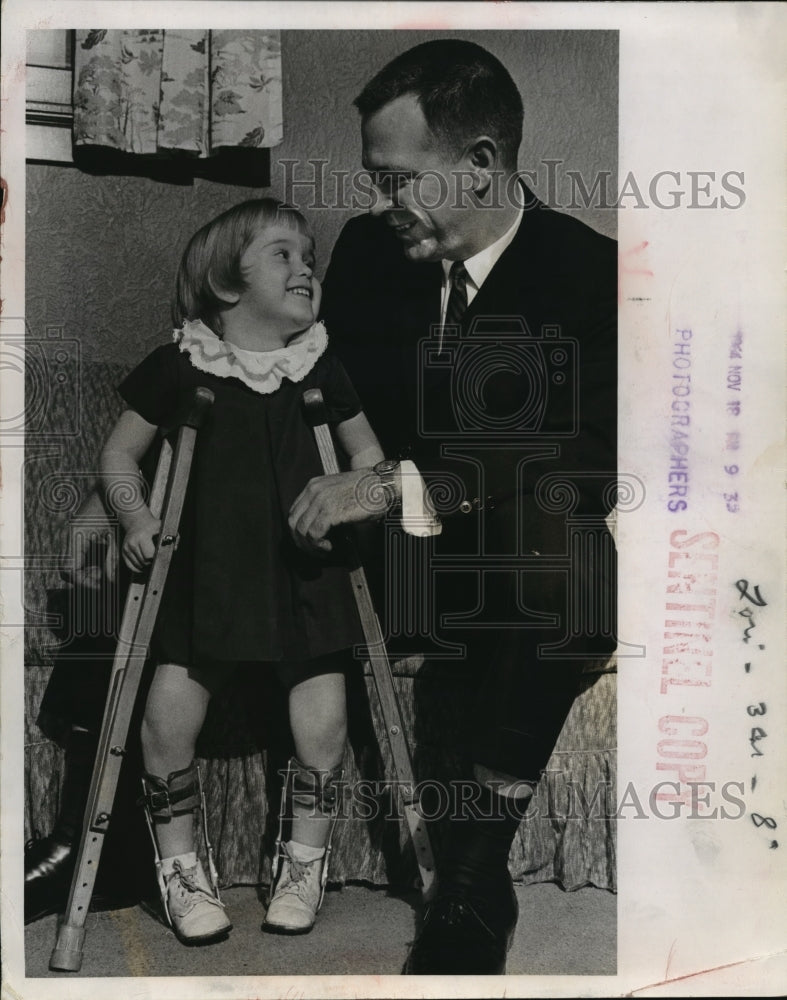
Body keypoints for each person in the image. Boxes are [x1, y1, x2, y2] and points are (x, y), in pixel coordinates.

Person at [289, 39, 618, 974]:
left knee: (573, 559)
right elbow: (299, 389)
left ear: (479, 162)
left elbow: (590, 455)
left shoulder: (592, 273)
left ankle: (472, 883)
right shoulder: (365, 255)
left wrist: (403, 482)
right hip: (373, 565)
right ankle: (90, 840)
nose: (381, 203)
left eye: (398, 180)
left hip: (505, 574)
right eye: (375, 180)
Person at [98, 198, 387, 943]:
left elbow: (367, 458)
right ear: (228, 285)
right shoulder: (183, 364)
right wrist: (134, 519)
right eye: (283, 255)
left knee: (322, 721)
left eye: (310, 257)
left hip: (309, 572)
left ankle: (302, 862)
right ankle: (183, 868)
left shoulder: (319, 366)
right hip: (205, 577)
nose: (306, 268)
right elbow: (119, 456)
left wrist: (359, 498)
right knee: (166, 719)